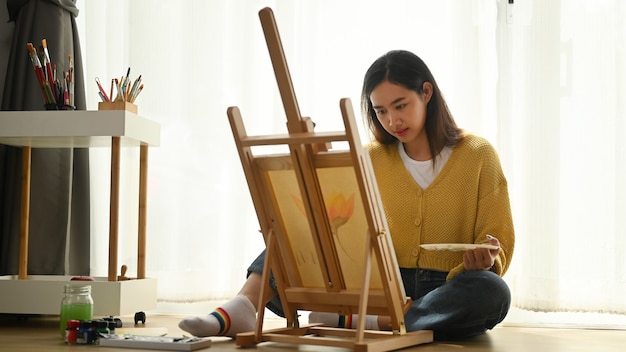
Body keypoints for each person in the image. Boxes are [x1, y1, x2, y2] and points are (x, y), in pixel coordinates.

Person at [179, 49, 515, 341]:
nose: (391, 120)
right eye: (381, 111)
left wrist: (486, 259)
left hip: (446, 289)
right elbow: (339, 227)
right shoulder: (369, 157)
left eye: (400, 105)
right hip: (379, 284)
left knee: (492, 291)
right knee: (294, 236)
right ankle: (239, 309)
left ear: (426, 92)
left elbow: (496, 237)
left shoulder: (478, 155)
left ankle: (372, 321)